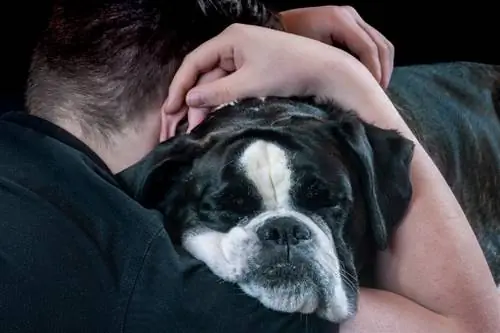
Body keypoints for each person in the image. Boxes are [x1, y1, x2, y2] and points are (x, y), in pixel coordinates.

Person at [0, 4, 497, 333]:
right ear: (190, 108)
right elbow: (474, 327)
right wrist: (339, 74)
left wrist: (279, 24)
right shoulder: (149, 282)